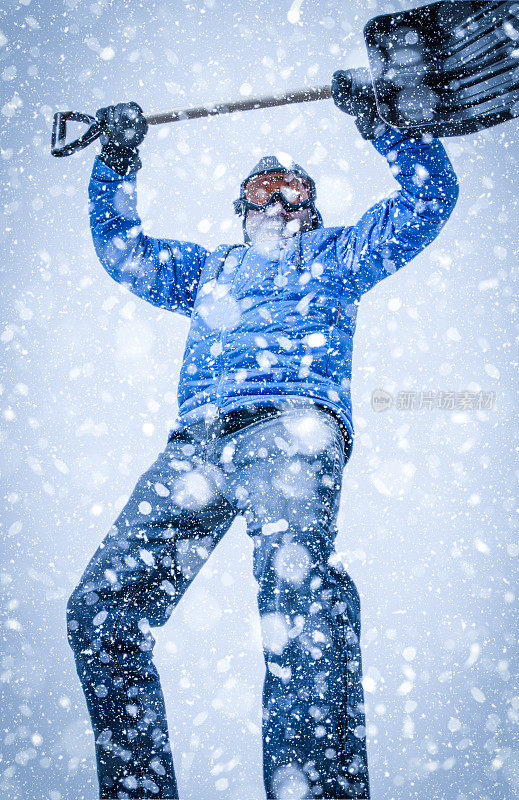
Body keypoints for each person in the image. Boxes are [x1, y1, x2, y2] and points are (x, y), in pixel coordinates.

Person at [66, 69, 459, 800]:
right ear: (240, 206)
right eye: (263, 188)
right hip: (196, 447)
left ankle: (314, 789)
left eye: (297, 191)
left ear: (311, 210)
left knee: (297, 597)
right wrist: (115, 162)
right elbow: (124, 251)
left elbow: (429, 202)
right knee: (100, 610)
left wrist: (386, 127)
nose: (280, 200)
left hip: (290, 428)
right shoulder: (208, 271)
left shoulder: (335, 258)